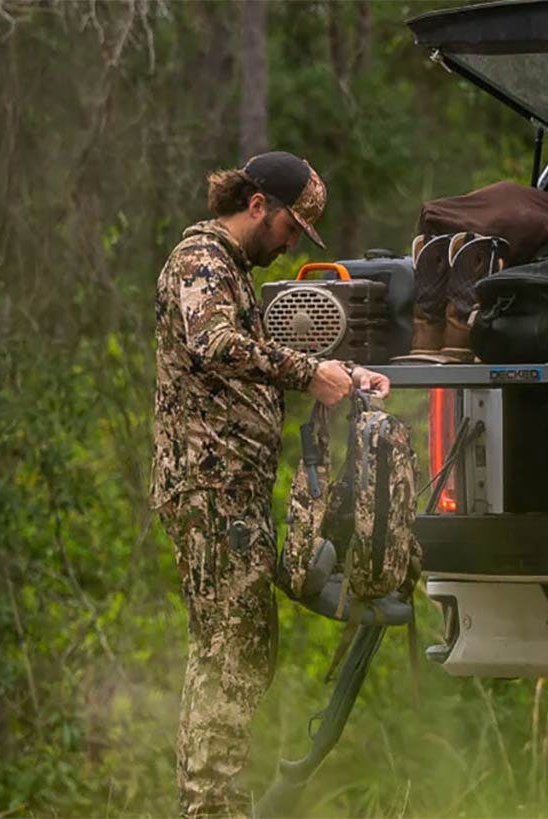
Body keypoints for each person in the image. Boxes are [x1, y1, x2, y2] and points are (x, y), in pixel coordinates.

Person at [150, 151, 389, 817]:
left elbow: (251, 351)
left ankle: (216, 800)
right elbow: (213, 343)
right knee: (229, 648)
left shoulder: (231, 269)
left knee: (246, 645)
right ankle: (211, 806)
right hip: (208, 489)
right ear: (258, 205)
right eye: (289, 228)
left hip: (231, 493)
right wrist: (308, 373)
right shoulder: (203, 258)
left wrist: (336, 369)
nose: (289, 245)